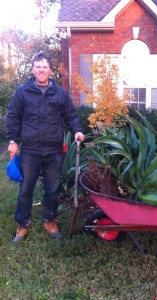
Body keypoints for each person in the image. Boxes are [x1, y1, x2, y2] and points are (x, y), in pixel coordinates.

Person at [6, 51, 85, 243]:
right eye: (38, 66)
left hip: (53, 151)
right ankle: (23, 224)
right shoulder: (23, 91)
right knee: (26, 189)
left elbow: (71, 115)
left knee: (52, 189)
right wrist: (12, 140)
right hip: (30, 150)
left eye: (45, 67)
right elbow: (13, 116)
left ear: (50, 70)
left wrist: (77, 130)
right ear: (33, 69)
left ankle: (50, 220)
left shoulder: (59, 93)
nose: (41, 70)